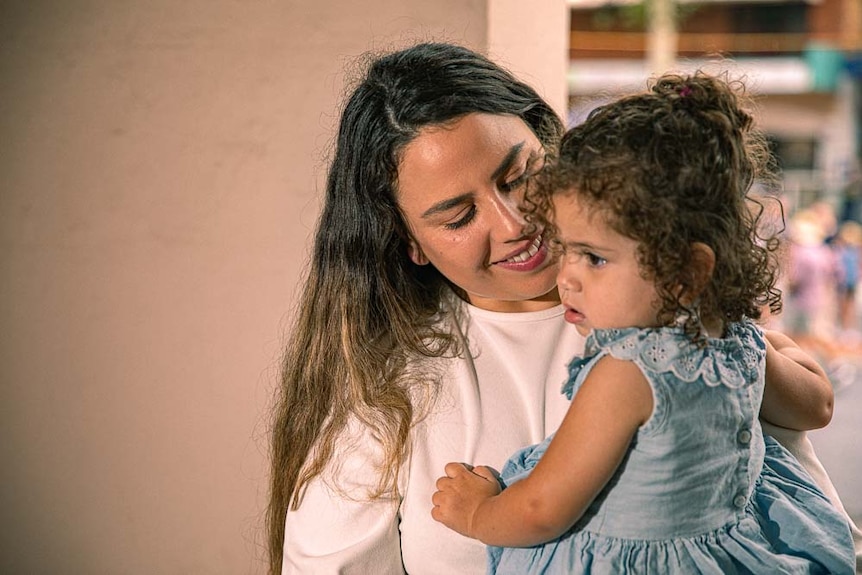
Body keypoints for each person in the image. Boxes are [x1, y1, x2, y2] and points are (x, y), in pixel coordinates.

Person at [267, 42, 861, 574]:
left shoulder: (672, 317)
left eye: (521, 175)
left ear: (554, 146)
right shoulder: (385, 397)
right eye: (457, 216)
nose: (515, 223)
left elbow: (801, 500)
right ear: (408, 244)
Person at [430, 71, 856, 574]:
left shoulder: (627, 371)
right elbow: (816, 404)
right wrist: (775, 349)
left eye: (595, 258)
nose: (567, 277)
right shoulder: (731, 338)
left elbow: (541, 509)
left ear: (688, 271)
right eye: (565, 249)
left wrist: (478, 511)